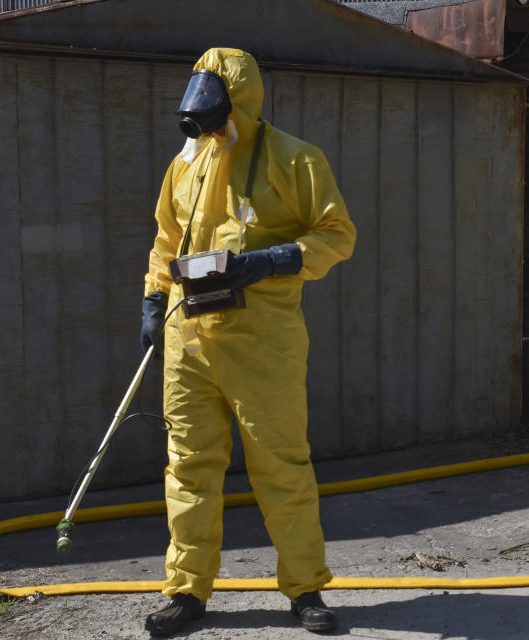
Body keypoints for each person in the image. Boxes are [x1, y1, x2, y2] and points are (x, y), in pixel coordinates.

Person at [139, 48, 356, 637]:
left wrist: (274, 259)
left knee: (281, 465)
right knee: (187, 466)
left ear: (238, 96)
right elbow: (166, 239)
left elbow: (338, 235)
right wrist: (154, 298)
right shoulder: (185, 163)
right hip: (190, 342)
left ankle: (305, 588)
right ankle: (186, 592)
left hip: (263, 344)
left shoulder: (294, 158)